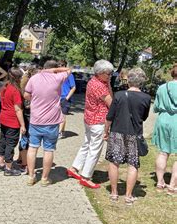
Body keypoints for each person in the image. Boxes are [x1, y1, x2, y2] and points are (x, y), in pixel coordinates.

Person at [104, 68, 151, 205]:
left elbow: (110, 116)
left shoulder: (118, 95)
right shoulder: (146, 98)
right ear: (142, 81)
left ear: (128, 80)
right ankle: (128, 195)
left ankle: (114, 193)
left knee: (114, 162)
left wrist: (105, 131)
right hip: (134, 134)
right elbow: (144, 117)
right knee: (132, 164)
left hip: (117, 131)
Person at [24, 60, 71, 186]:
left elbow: (26, 95)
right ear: (55, 69)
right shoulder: (57, 78)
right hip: (52, 121)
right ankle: (44, 178)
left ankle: (31, 176)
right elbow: (68, 70)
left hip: (36, 120)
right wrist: (54, 71)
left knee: (32, 148)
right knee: (48, 150)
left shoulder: (34, 78)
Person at [67, 60, 114, 188]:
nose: (110, 75)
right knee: (95, 149)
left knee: (86, 144)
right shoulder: (100, 86)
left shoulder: (93, 81)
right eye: (108, 73)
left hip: (89, 118)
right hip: (98, 121)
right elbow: (111, 103)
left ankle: (75, 168)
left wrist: (108, 83)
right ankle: (86, 176)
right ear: (100, 73)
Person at [0, 67, 26, 176]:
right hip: (12, 120)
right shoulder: (15, 90)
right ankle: (8, 168)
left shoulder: (5, 86)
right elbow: (18, 109)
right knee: (10, 143)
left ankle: (0, 164)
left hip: (3, 117)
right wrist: (22, 125)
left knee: (2, 140)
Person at [152, 64, 177, 196]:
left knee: (163, 152)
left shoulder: (162, 87)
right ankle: (172, 186)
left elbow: (155, 107)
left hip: (163, 120)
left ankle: (160, 182)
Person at [58, 60, 76, 138]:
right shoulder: (56, 75)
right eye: (58, 65)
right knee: (58, 116)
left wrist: (66, 98)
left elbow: (73, 87)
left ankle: (59, 132)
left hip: (65, 98)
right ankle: (62, 131)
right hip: (56, 98)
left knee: (62, 116)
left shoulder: (69, 75)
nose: (59, 66)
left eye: (61, 65)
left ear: (65, 66)